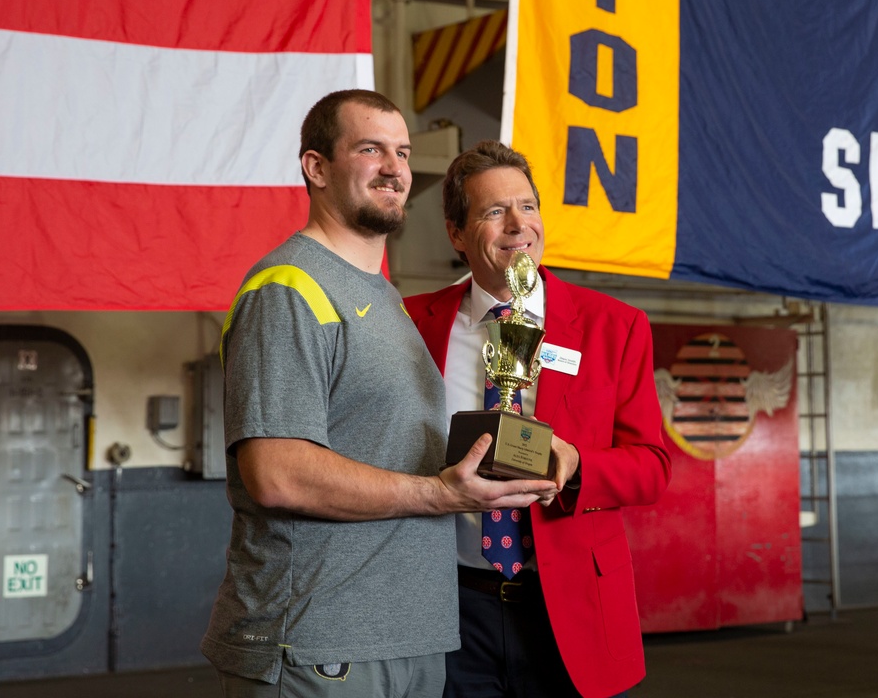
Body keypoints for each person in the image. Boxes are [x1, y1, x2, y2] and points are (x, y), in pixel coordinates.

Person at [201, 93, 556, 698]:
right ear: (316, 168)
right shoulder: (290, 288)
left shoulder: (387, 300)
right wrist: (440, 494)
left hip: (409, 640)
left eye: (403, 151)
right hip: (317, 645)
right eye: (370, 149)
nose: (394, 167)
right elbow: (278, 475)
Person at [404, 140, 673, 698]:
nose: (517, 226)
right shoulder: (411, 324)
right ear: (457, 234)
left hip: (571, 608)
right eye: (493, 211)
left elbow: (653, 466)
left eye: (527, 206)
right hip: (448, 607)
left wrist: (576, 465)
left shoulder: (613, 327)